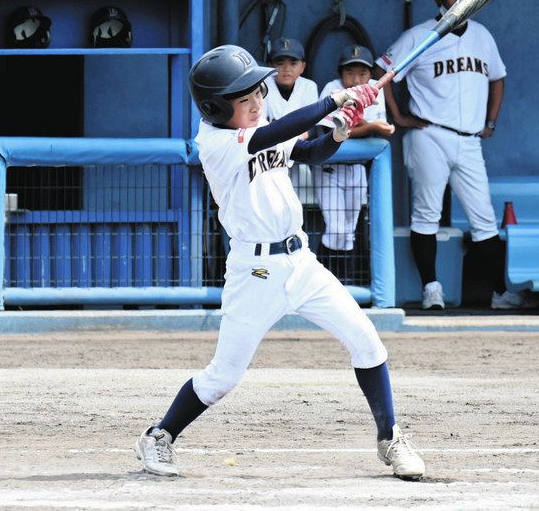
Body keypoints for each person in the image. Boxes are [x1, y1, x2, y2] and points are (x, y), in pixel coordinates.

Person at [135, 44, 425, 481]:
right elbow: (271, 136)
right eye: (244, 100)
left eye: (257, 95)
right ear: (215, 107)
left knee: (367, 339)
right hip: (255, 273)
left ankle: (391, 437)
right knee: (223, 377)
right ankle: (159, 435)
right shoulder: (215, 142)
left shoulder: (259, 124)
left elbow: (304, 153)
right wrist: (336, 100)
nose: (256, 105)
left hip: (301, 262)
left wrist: (340, 131)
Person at [374, 0, 534, 310]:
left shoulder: (482, 35)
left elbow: (498, 78)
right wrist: (398, 116)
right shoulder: (420, 36)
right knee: (426, 214)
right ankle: (432, 288)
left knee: (484, 218)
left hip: (470, 138)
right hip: (429, 133)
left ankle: (498, 292)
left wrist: (491, 120)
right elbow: (381, 70)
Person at [312, 45, 395, 281]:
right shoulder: (332, 89)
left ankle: (342, 285)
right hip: (330, 168)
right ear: (340, 73)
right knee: (336, 228)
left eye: (362, 73)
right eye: (350, 72)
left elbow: (382, 132)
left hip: (357, 168)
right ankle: (321, 282)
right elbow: (336, 130)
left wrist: (362, 128)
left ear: (370, 74)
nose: (356, 79)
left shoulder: (375, 91)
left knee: (348, 233)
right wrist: (368, 127)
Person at [263, 37, 319, 205]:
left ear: (302, 66)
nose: (286, 69)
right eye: (280, 63)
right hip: (268, 156)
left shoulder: (308, 86)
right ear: (271, 66)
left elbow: (313, 128)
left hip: (296, 153)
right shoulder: (262, 85)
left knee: (292, 205)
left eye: (293, 63)